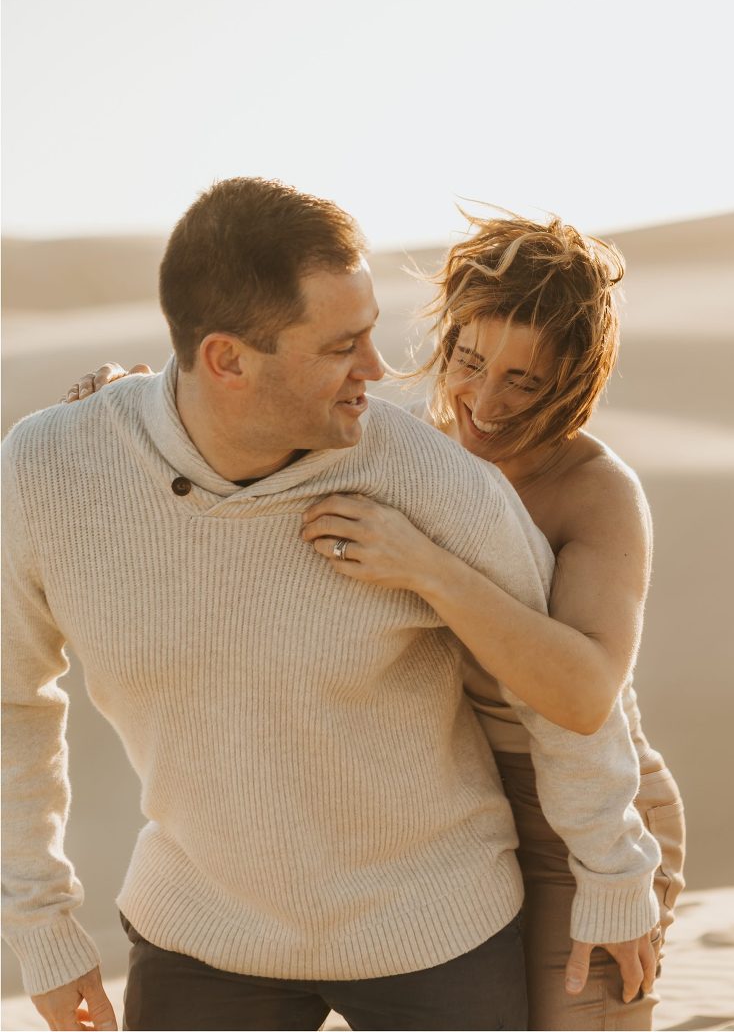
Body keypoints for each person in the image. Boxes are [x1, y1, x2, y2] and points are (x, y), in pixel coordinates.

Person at [4, 178, 660, 1032]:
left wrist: (615, 874)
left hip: (453, 900)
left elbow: (575, 700)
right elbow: (11, 700)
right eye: (343, 344)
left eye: (372, 332)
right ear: (226, 360)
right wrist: (41, 926)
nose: (379, 369)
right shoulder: (49, 470)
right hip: (203, 923)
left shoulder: (463, 481)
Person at [297, 209, 686, 1030]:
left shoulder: (597, 492)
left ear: (574, 381)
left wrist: (426, 566)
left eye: (526, 380)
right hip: (458, 823)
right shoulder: (416, 454)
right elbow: (262, 429)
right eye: (470, 360)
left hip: (590, 827)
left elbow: (582, 693)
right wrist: (132, 396)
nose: (484, 399)